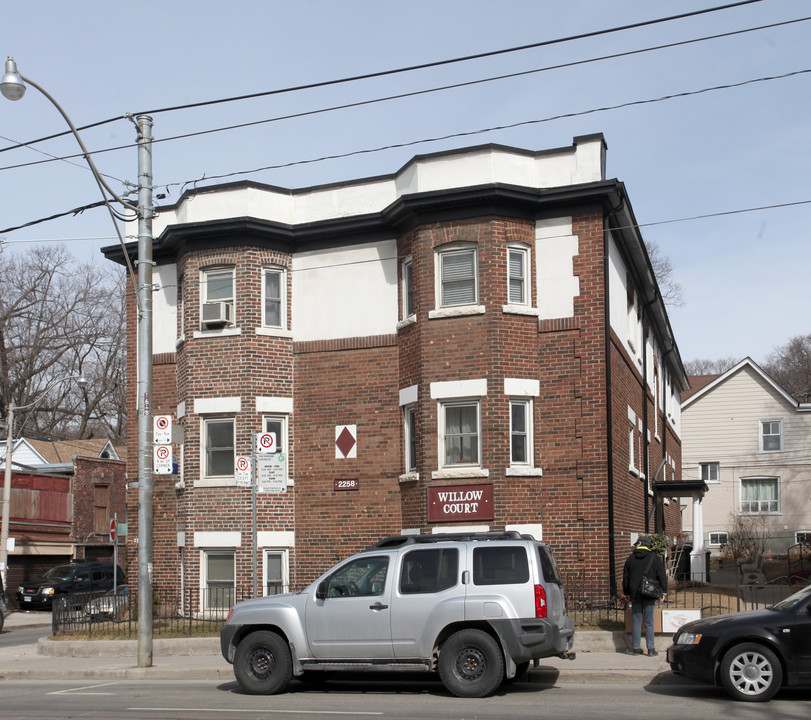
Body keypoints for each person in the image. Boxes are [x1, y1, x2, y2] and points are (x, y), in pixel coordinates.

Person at [622, 535, 667, 656]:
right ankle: (651, 649)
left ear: (639, 543)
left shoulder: (630, 558)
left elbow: (625, 578)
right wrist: (664, 592)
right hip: (649, 593)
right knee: (649, 622)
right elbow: (662, 575)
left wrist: (627, 593)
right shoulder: (654, 558)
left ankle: (636, 648)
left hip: (635, 593)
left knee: (636, 621)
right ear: (648, 545)